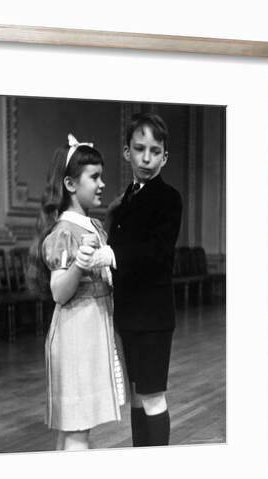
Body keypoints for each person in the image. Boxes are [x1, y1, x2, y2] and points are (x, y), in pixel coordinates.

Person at [28, 134, 125, 451]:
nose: (101, 184)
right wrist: (80, 264)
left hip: (93, 330)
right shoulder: (65, 232)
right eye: (94, 177)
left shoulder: (93, 227)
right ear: (70, 184)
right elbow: (59, 292)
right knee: (77, 430)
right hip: (75, 335)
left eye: (101, 176)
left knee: (77, 428)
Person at [95, 113, 182, 447]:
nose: (147, 158)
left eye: (155, 151)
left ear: (165, 156)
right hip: (126, 314)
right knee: (134, 397)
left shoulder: (168, 198)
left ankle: (158, 475)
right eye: (140, 148)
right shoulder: (125, 199)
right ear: (127, 151)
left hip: (153, 317)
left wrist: (113, 256)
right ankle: (140, 466)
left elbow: (158, 252)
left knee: (152, 397)